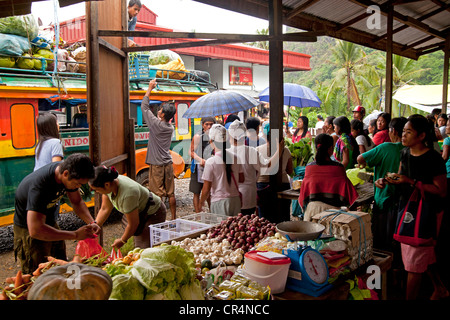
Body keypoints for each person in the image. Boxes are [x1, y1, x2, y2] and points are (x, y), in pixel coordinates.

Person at [385, 114, 448, 300]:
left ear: (421, 136)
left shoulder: (433, 159)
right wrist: (387, 180)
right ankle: (440, 288)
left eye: (408, 132)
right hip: (407, 208)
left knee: (413, 264)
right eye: (403, 131)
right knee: (424, 257)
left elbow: (441, 191)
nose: (402, 136)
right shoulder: (404, 153)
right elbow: (399, 176)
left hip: (427, 213)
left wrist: (412, 182)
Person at [13, 153, 99, 274]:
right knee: (39, 274)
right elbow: (35, 230)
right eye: (77, 184)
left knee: (62, 267)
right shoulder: (41, 186)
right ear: (65, 174)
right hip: (29, 230)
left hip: (48, 221)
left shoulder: (67, 173)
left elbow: (77, 202)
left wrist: (92, 222)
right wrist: (75, 234)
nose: (78, 187)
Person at [357, 117, 407, 252]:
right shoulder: (411, 149)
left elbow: (360, 158)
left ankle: (385, 268)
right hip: (405, 201)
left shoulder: (385, 147)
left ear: (393, 131)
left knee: (381, 240)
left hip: (384, 198)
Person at [89, 166, 166, 249]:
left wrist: (122, 240)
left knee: (144, 249)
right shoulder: (109, 184)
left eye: (96, 189)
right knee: (138, 245)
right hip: (139, 212)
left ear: (106, 184)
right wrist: (96, 225)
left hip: (153, 212)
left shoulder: (128, 194)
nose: (96, 192)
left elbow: (133, 224)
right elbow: (105, 208)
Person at [227, 120, 282, 216]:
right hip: (248, 195)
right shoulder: (250, 151)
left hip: (230, 196)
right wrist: (279, 151)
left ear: (230, 135)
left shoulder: (225, 152)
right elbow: (267, 165)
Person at [299, 134, 358, 221]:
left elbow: (304, 193)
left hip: (312, 213)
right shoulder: (338, 167)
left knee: (312, 234)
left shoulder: (309, 167)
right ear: (331, 149)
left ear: (316, 149)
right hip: (333, 215)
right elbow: (348, 194)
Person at [142, 79, 177, 220]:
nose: (159, 111)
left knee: (157, 195)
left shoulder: (156, 124)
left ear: (162, 115)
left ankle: (159, 219)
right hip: (168, 164)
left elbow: (144, 107)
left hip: (156, 165)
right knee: (171, 194)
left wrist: (150, 87)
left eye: (160, 110)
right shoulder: (170, 127)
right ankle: (174, 218)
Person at [200, 124, 243, 216]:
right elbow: (242, 179)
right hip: (235, 200)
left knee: (221, 229)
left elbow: (206, 188)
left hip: (219, 203)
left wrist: (201, 202)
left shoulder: (211, 162)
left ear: (211, 141)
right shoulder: (236, 158)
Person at [256, 122, 293, 223]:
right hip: (283, 186)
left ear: (265, 136)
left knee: (264, 219)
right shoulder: (286, 151)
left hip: (262, 185)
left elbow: (255, 171)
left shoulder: (258, 150)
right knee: (283, 217)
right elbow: (290, 171)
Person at [189, 117, 215, 213]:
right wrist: (200, 159)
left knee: (209, 192)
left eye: (211, 124)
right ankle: (197, 214)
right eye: (207, 124)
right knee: (196, 192)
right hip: (197, 167)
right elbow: (191, 152)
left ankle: (211, 212)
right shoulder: (198, 136)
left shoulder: (215, 137)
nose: (209, 126)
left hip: (210, 166)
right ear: (202, 124)